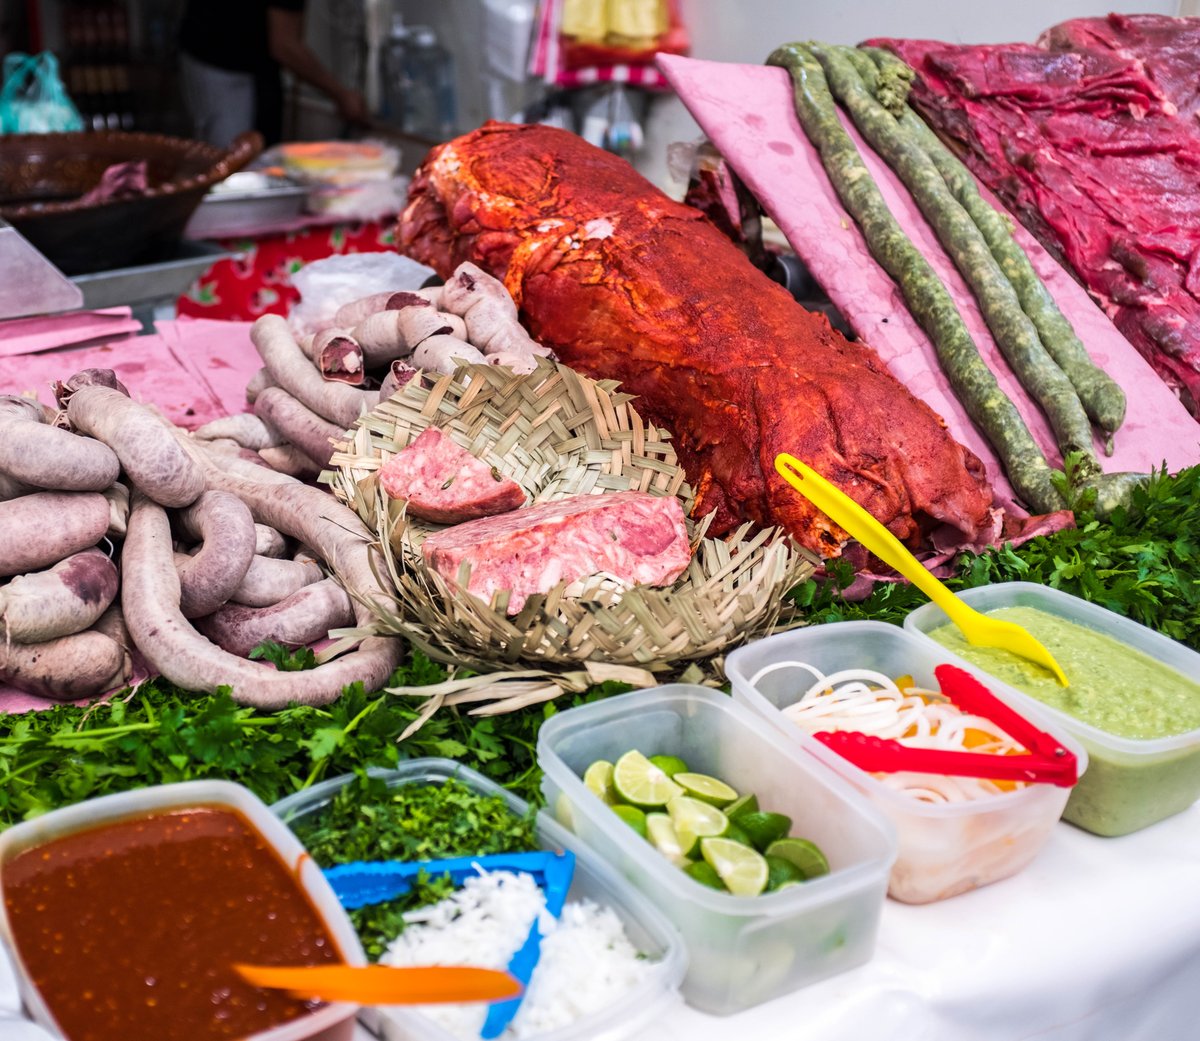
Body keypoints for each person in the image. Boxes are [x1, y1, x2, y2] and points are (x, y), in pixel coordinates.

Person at [178, 0, 368, 147]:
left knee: (236, 151)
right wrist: (340, 94)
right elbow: (284, 45)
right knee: (232, 159)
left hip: (217, 54)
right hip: (220, 62)